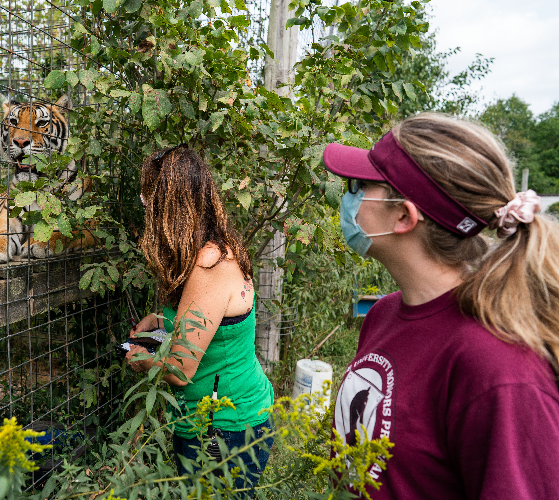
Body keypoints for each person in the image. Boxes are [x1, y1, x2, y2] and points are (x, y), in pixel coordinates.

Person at [322, 113, 559, 499]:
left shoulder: (500, 370)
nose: (348, 197)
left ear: (403, 216)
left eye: (359, 185)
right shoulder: (383, 316)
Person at [125, 144, 275, 491]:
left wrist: (141, 360)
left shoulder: (209, 266)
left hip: (223, 428)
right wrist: (158, 321)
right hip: (220, 421)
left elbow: (179, 369)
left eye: (149, 200)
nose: (145, 207)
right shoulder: (214, 249)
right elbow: (212, 326)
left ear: (168, 205)